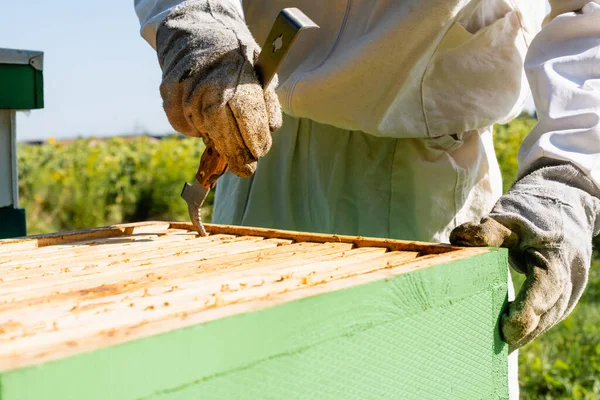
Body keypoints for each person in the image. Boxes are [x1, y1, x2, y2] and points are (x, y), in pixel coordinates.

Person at [134, 1, 600, 397]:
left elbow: (585, 17)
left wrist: (569, 178)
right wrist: (198, 20)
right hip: (260, 143)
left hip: (427, 186)